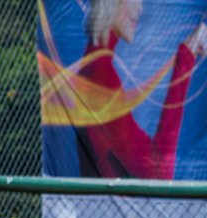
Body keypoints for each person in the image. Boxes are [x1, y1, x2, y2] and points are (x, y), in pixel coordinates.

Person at [76, 0, 207, 179]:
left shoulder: (93, 65)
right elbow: (158, 169)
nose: (140, 8)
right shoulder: (101, 74)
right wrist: (185, 61)